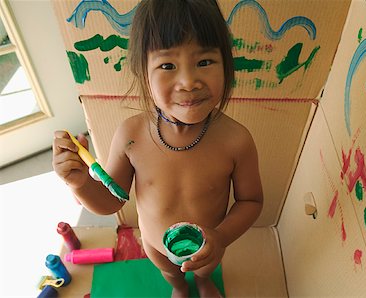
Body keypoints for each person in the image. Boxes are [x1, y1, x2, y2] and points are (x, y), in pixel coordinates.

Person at [52, 0, 263, 297]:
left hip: (208, 245)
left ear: (226, 65)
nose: (189, 82)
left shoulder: (236, 140)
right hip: (155, 245)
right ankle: (179, 288)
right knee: (169, 274)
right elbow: (110, 202)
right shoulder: (131, 135)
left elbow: (251, 202)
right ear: (143, 72)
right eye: (167, 65)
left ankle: (203, 283)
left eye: (204, 62)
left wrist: (221, 237)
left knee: (203, 271)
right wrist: (79, 182)